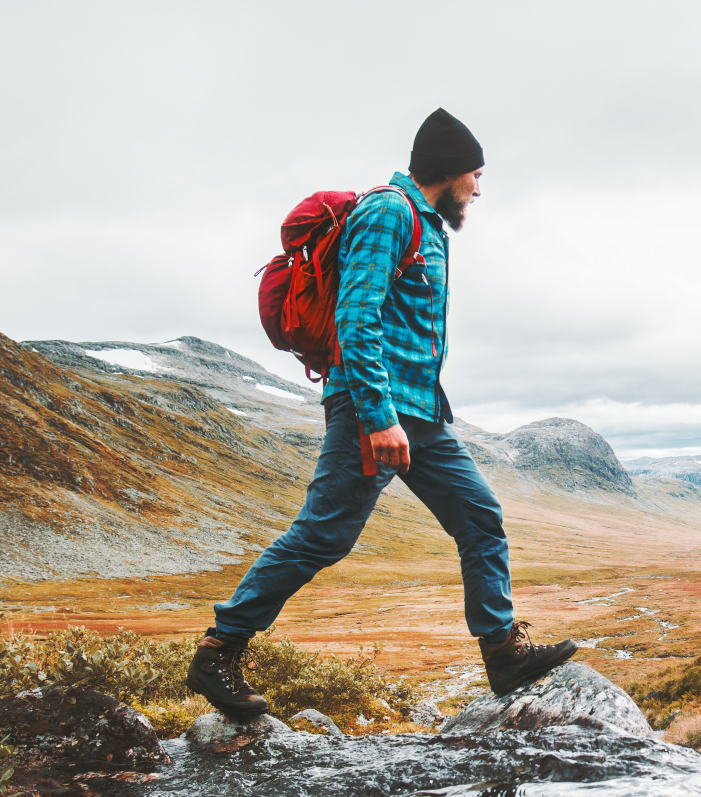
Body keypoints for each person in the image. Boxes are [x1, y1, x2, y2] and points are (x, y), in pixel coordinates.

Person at [186, 108, 576, 717]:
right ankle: (219, 651)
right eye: (476, 174)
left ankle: (502, 653)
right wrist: (378, 416)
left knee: (479, 514)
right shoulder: (388, 212)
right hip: (376, 407)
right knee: (324, 534)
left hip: (421, 412)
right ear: (448, 173)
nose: (480, 187)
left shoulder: (429, 226)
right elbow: (356, 317)